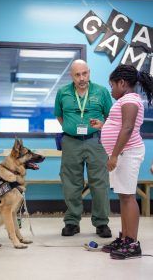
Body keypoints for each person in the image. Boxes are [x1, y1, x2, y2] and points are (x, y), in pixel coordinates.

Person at [90, 64, 153, 259]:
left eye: (112, 85)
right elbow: (118, 125)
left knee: (128, 197)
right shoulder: (126, 100)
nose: (111, 90)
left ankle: (132, 243)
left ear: (122, 83)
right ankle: (125, 238)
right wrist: (104, 126)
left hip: (127, 153)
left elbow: (127, 128)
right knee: (123, 196)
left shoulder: (131, 100)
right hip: (122, 154)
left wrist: (114, 155)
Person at [54, 59, 112, 238]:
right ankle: (72, 222)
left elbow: (111, 118)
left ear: (89, 72)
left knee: (100, 182)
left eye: (84, 73)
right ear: (71, 76)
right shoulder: (62, 92)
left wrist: (100, 125)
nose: (81, 78)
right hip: (71, 142)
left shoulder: (101, 92)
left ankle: (101, 223)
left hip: (95, 141)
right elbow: (60, 117)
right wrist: (72, 129)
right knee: (71, 183)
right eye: (77, 74)